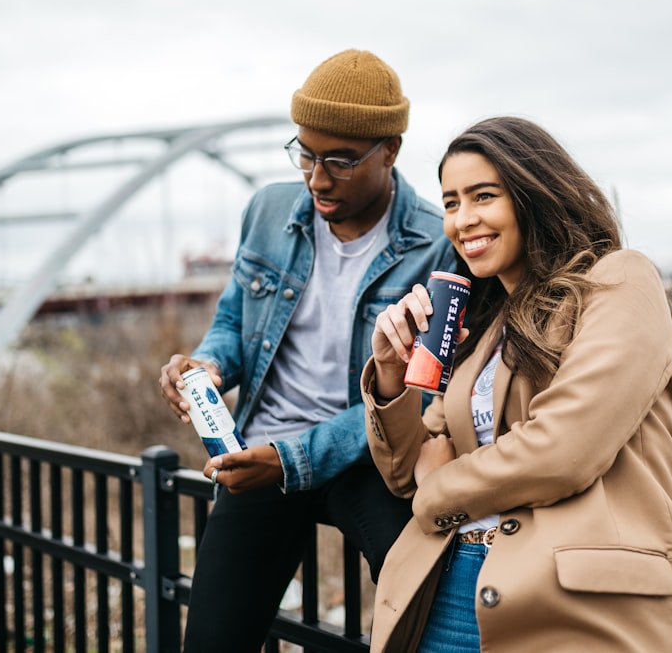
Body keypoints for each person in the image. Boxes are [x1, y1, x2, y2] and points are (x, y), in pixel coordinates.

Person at [362, 116, 672, 652]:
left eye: (483, 196)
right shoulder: (488, 328)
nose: (463, 219)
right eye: (450, 203)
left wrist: (439, 489)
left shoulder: (619, 281)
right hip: (448, 590)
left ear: (533, 194)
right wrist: (388, 375)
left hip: (571, 606)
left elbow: (564, 449)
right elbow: (408, 469)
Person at [158, 49, 456, 652]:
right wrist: (209, 365)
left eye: (340, 161)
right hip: (261, 451)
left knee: (426, 612)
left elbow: (423, 396)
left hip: (368, 459)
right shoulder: (267, 209)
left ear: (390, 150)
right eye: (305, 153)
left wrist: (291, 459)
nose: (316, 178)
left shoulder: (435, 244)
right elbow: (235, 318)